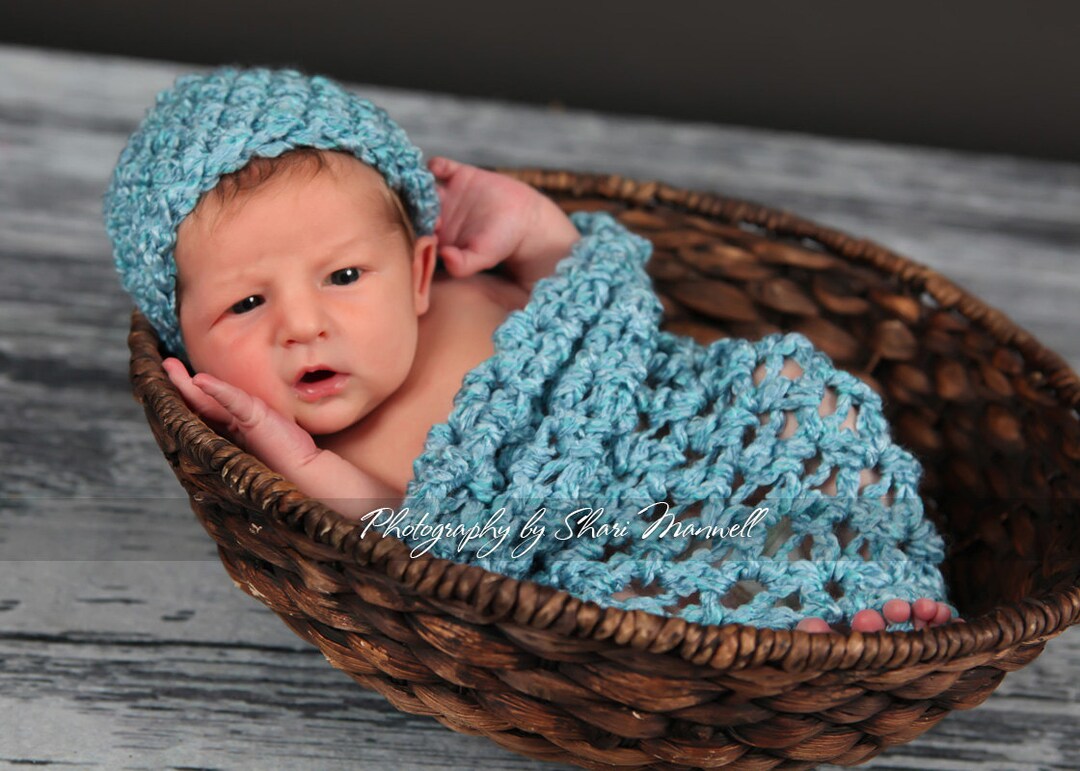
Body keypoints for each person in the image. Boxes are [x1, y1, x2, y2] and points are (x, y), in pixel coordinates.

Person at [105, 66, 956, 633]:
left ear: (417, 270)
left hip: (660, 412)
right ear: (188, 340)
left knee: (795, 394)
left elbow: (596, 291)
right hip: (578, 534)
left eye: (344, 274)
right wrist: (291, 454)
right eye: (247, 302)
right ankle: (816, 619)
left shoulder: (470, 287)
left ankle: (871, 555)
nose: (303, 324)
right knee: (628, 605)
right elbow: (399, 533)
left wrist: (533, 221)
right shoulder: (318, 447)